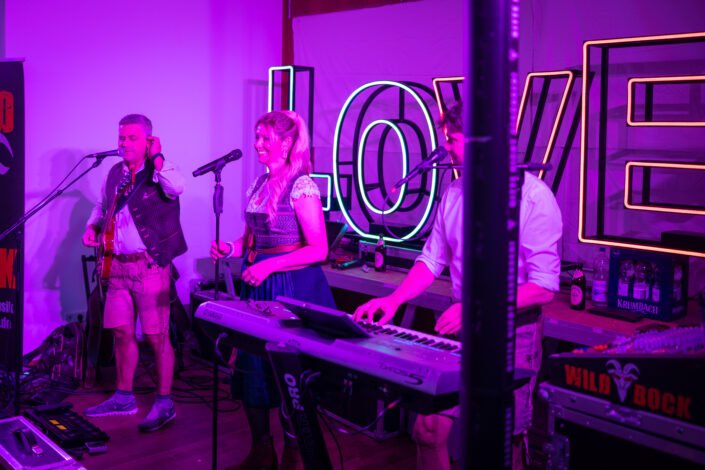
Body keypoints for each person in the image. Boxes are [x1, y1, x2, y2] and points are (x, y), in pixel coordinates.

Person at [353, 102, 563, 470]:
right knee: (428, 429)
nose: (445, 147)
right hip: (463, 328)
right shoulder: (455, 191)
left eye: (451, 139)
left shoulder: (533, 197)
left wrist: (477, 308)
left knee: (500, 443)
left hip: (512, 333)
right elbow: (431, 259)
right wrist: (394, 299)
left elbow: (544, 287)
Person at [211, 110, 334, 469]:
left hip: (291, 289)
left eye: (265, 138)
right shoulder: (259, 184)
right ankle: (262, 451)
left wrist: (268, 266)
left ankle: (294, 455)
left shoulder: (302, 186)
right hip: (259, 286)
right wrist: (231, 248)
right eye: (257, 137)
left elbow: (319, 250)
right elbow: (252, 240)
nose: (257, 144)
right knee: (253, 367)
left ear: (287, 142)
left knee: (288, 375)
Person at [81, 114, 187, 433]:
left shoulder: (162, 171)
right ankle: (123, 396)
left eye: (132, 138)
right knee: (121, 332)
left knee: (156, 336)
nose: (124, 143)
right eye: (121, 138)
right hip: (117, 267)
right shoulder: (114, 172)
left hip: (150, 267)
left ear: (148, 141)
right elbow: (101, 206)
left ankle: (165, 402)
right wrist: (92, 225)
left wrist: (158, 157)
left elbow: (177, 187)